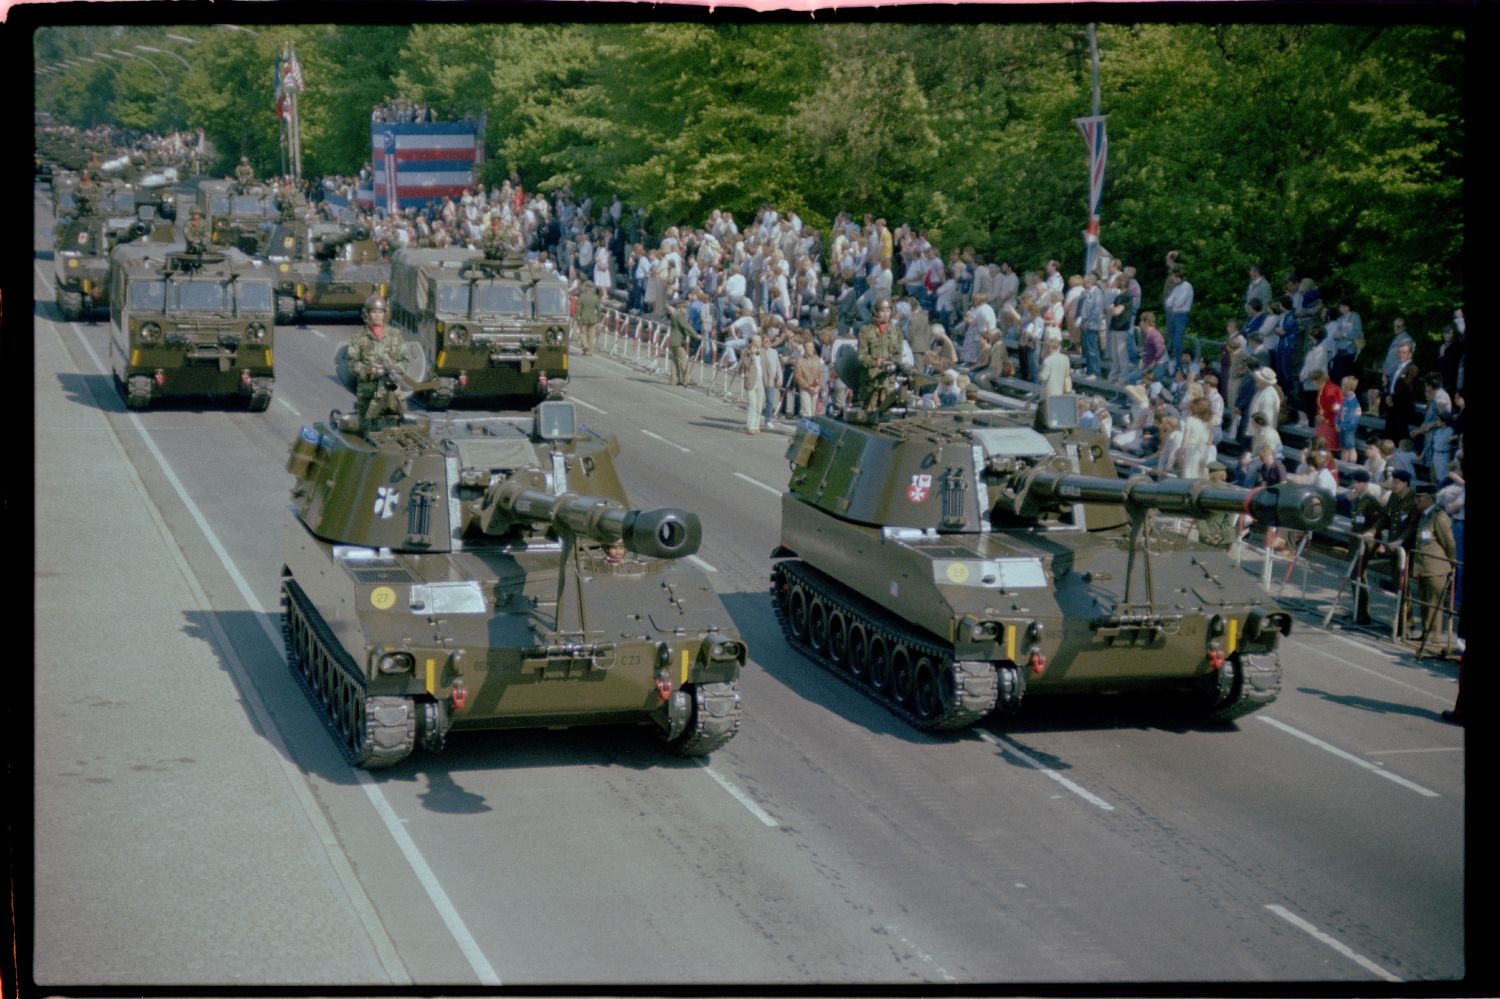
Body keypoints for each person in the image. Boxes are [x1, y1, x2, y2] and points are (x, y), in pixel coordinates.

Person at [1352, 468, 1417, 627]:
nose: (1392, 485)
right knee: (1397, 584)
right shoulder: (1394, 497)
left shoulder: (1413, 500)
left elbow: (1412, 525)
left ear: (1405, 483)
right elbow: (1386, 518)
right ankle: (1402, 622)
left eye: (1396, 483)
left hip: (1405, 548)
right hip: (1393, 545)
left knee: (1403, 585)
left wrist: (1401, 540)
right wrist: (1373, 531)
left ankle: (1406, 624)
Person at [344, 294, 413, 423]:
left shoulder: (395, 335)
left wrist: (393, 369)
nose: (377, 315)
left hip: (392, 393)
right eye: (373, 312)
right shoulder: (358, 337)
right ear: (367, 314)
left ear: (385, 314)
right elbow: (352, 363)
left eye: (380, 312)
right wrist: (368, 370)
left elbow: (404, 359)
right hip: (368, 394)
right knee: (367, 428)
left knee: (399, 426)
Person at [1409, 486, 1457, 650]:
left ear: (1429, 498)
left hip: (1436, 567)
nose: (1416, 501)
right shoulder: (1425, 516)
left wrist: (1453, 563)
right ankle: (1426, 633)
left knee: (1434, 603)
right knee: (1423, 602)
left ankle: (1433, 637)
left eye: (1419, 498)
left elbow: (1449, 543)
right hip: (1423, 565)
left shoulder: (1439, 516)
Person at [856, 298, 903, 411]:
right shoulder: (866, 331)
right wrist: (875, 362)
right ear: (876, 312)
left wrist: (893, 364)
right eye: (882, 311)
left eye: (888, 311)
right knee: (868, 413)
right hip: (870, 381)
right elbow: (861, 356)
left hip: (888, 381)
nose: (885, 314)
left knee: (888, 413)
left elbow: (898, 355)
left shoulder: (896, 331)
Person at [1195, 461, 1238, 547]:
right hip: (1224, 538)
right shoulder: (1230, 491)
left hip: (1206, 537)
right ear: (1223, 474)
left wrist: (1206, 535)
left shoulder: (1201, 490)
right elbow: (1229, 518)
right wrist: (1219, 535)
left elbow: (1198, 516)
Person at [666, 300, 692, 386]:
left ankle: (674, 380)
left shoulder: (675, 315)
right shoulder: (679, 315)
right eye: (685, 308)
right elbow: (685, 326)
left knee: (675, 361)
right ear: (681, 308)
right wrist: (695, 335)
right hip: (677, 341)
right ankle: (687, 380)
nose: (686, 310)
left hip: (674, 341)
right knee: (684, 360)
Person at [574, 280, 601, 356]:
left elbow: (578, 309)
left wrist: (576, 318)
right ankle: (590, 351)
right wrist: (599, 319)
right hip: (593, 319)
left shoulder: (582, 297)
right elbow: (599, 309)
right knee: (591, 336)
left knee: (583, 334)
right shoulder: (596, 298)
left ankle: (585, 346)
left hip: (583, 319)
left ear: (586, 287)